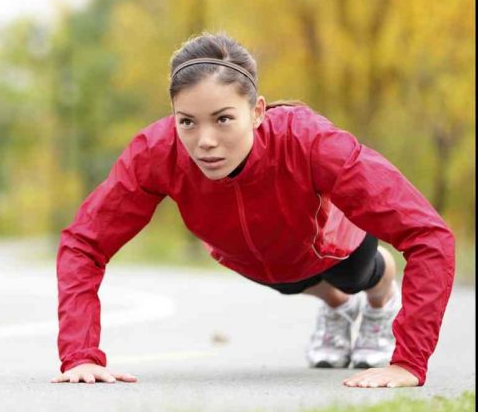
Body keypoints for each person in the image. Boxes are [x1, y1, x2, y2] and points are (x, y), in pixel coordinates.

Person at [50, 32, 455, 388]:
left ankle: (379, 300)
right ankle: (336, 309)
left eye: (223, 119)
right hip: (254, 256)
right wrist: (80, 356)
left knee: (354, 277)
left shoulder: (310, 141)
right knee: (284, 279)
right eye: (187, 122)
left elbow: (428, 235)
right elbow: (85, 243)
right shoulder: (156, 153)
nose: (204, 141)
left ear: (257, 112)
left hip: (334, 244)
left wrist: (408, 362)